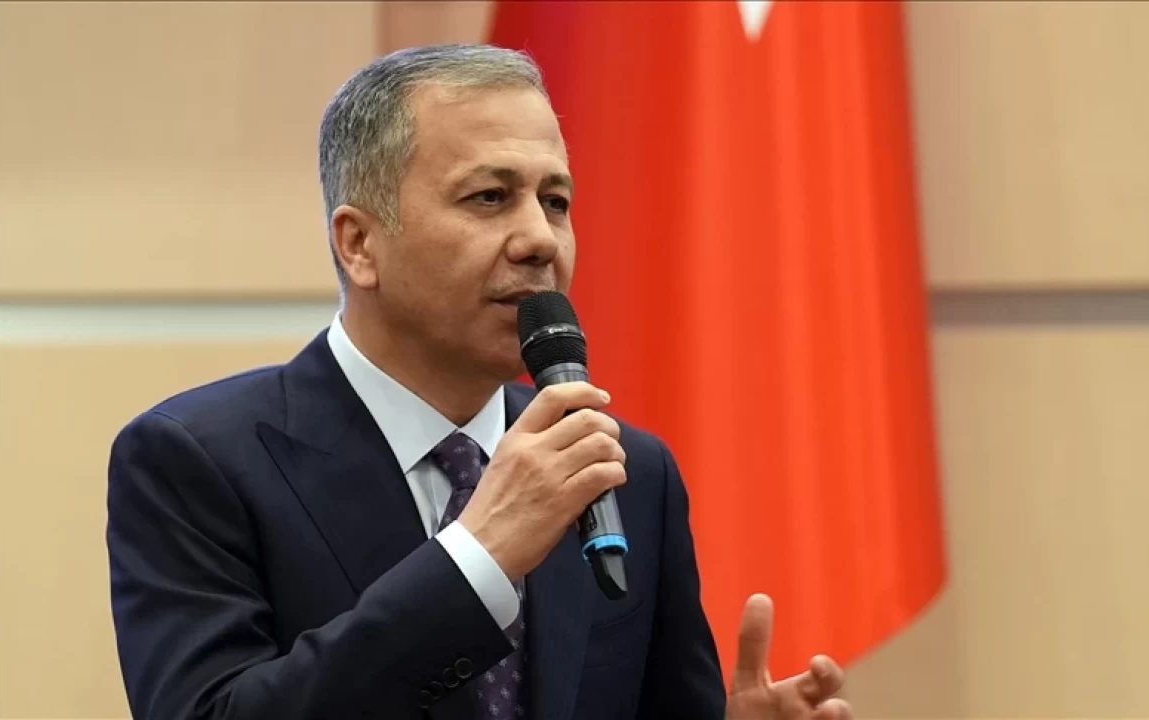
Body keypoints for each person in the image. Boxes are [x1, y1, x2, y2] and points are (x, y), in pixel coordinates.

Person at [106, 44, 852, 720]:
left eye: (555, 201)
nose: (540, 240)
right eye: (490, 197)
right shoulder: (197, 461)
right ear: (359, 244)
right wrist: (475, 558)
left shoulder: (626, 469)